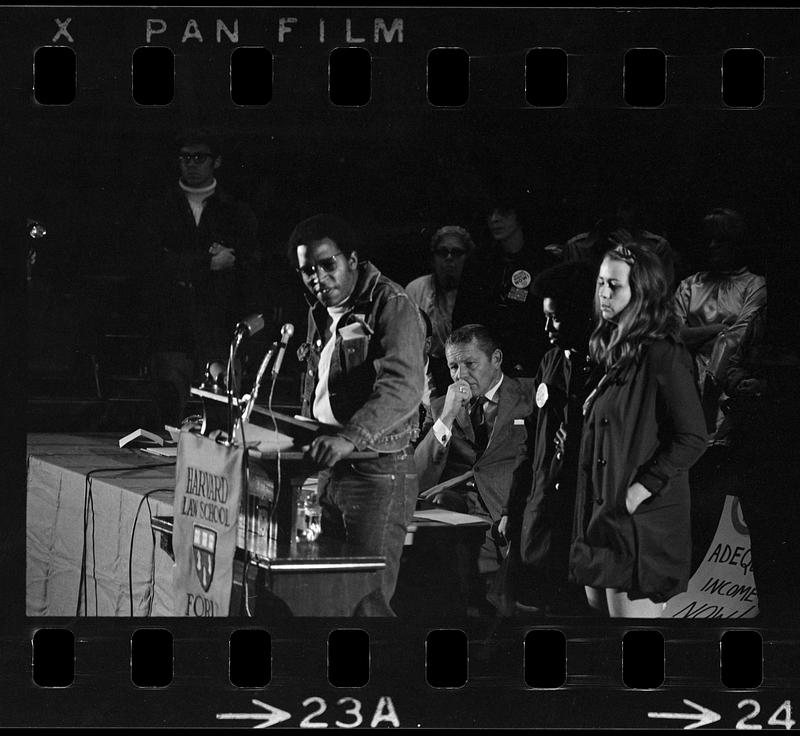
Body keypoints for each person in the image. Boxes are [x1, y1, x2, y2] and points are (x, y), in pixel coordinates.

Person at [289, 214, 425, 616]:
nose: (318, 278)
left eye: (327, 265)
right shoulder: (318, 310)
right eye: (307, 270)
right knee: (328, 595)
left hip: (376, 472)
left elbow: (402, 386)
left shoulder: (391, 303)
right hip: (330, 468)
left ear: (352, 259)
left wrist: (349, 437)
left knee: (368, 602)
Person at [570, 243, 707, 618]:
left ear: (642, 293)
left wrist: (638, 490)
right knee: (605, 652)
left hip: (639, 529)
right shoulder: (617, 352)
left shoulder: (663, 352)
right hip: (604, 527)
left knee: (634, 658)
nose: (604, 293)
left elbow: (693, 436)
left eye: (615, 286)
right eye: (601, 283)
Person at [138, 129, 262, 427]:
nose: (191, 163)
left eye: (199, 157)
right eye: (185, 157)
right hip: (172, 324)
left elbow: (247, 265)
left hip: (219, 324)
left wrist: (197, 263)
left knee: (222, 414)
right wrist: (208, 262)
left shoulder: (236, 211)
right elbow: (151, 262)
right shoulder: (159, 208)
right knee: (166, 415)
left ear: (216, 162)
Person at [414, 324, 537, 615]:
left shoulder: (530, 395)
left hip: (510, 506)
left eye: (470, 364)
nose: (461, 375)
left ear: (496, 359)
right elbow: (417, 478)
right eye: (453, 366)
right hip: (460, 509)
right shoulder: (442, 406)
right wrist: (446, 416)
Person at [673, 208, 766, 571]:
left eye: (721, 240)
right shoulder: (689, 285)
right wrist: (714, 331)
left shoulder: (754, 284)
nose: (713, 247)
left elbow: (740, 335)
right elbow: (671, 335)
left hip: (732, 410)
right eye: (708, 240)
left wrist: (704, 338)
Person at [513, 260, 599, 615]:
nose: (547, 326)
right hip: (542, 508)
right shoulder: (549, 361)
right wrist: (512, 508)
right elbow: (532, 438)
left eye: (556, 318)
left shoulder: (608, 368)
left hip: (584, 514)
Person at [453, 198, 556, 377]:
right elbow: (462, 317)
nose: (495, 219)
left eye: (503, 213)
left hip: (530, 367)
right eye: (491, 213)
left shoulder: (542, 263)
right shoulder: (478, 263)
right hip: (484, 365)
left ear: (519, 215)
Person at [406, 225, 476, 397]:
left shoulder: (476, 292)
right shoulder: (416, 289)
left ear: (466, 257)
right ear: (433, 257)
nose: (449, 258)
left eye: (457, 252)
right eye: (443, 252)